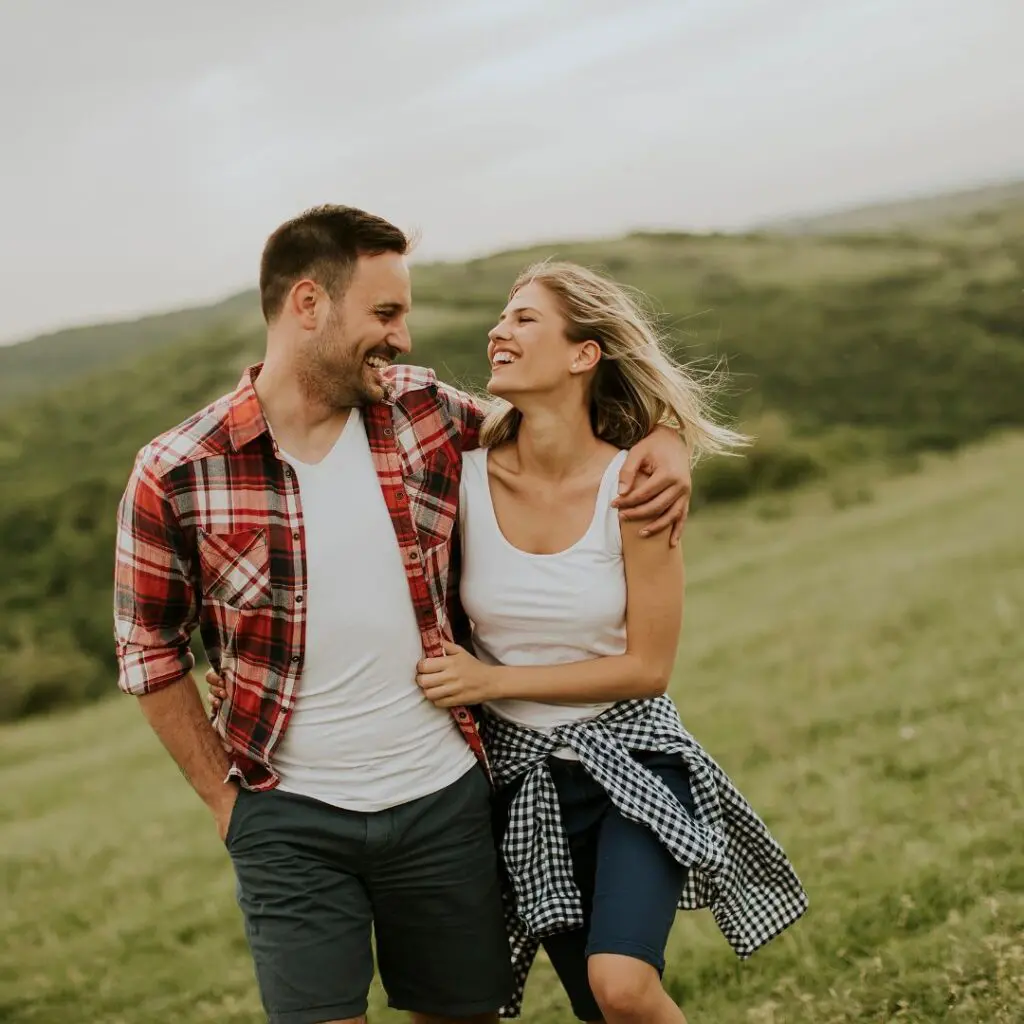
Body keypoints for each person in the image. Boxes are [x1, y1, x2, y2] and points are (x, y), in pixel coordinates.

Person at [113, 205, 693, 1024]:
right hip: (288, 818)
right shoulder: (177, 472)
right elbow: (148, 650)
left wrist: (667, 442)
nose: (404, 339)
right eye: (385, 314)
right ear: (309, 304)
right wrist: (225, 802)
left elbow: (566, 426)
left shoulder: (421, 414)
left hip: (445, 802)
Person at [409, 262, 809, 1023]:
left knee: (623, 984)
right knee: (602, 1008)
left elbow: (647, 669)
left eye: (525, 318)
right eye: (502, 316)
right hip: (526, 788)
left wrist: (489, 683)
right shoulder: (454, 478)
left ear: (583, 355)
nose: (499, 329)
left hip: (635, 762)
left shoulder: (636, 486)